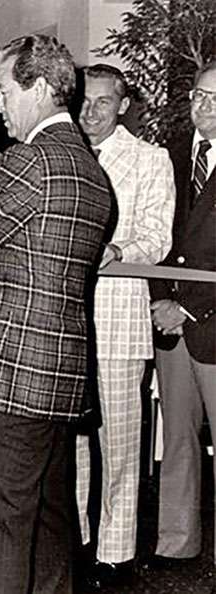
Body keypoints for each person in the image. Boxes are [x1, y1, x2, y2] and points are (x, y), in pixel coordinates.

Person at [0, 36, 112, 593]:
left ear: (36, 88)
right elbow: (41, 264)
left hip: (14, 377)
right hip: (60, 375)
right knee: (51, 526)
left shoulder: (30, 159)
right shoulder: (89, 169)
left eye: (4, 91)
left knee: (4, 530)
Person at [73, 64, 175, 589]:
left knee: (119, 441)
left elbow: (157, 237)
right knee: (69, 440)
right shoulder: (62, 153)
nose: (91, 111)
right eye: (84, 101)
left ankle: (116, 551)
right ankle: (78, 538)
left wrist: (115, 250)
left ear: (123, 105)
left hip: (118, 317)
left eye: (103, 102)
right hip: (65, 319)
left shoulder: (148, 160)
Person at [146, 60, 216, 589]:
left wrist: (188, 306)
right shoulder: (168, 159)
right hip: (168, 324)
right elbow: (152, 237)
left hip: (209, 321)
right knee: (177, 442)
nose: (204, 107)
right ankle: (176, 543)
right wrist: (160, 302)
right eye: (198, 95)